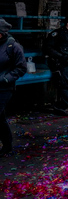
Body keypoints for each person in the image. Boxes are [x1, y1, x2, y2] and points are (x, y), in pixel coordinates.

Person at [0, 19, 26, 155]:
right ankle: (7, 144)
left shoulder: (13, 46)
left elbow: (21, 68)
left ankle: (7, 145)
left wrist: (6, 78)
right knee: (0, 118)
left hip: (4, 88)